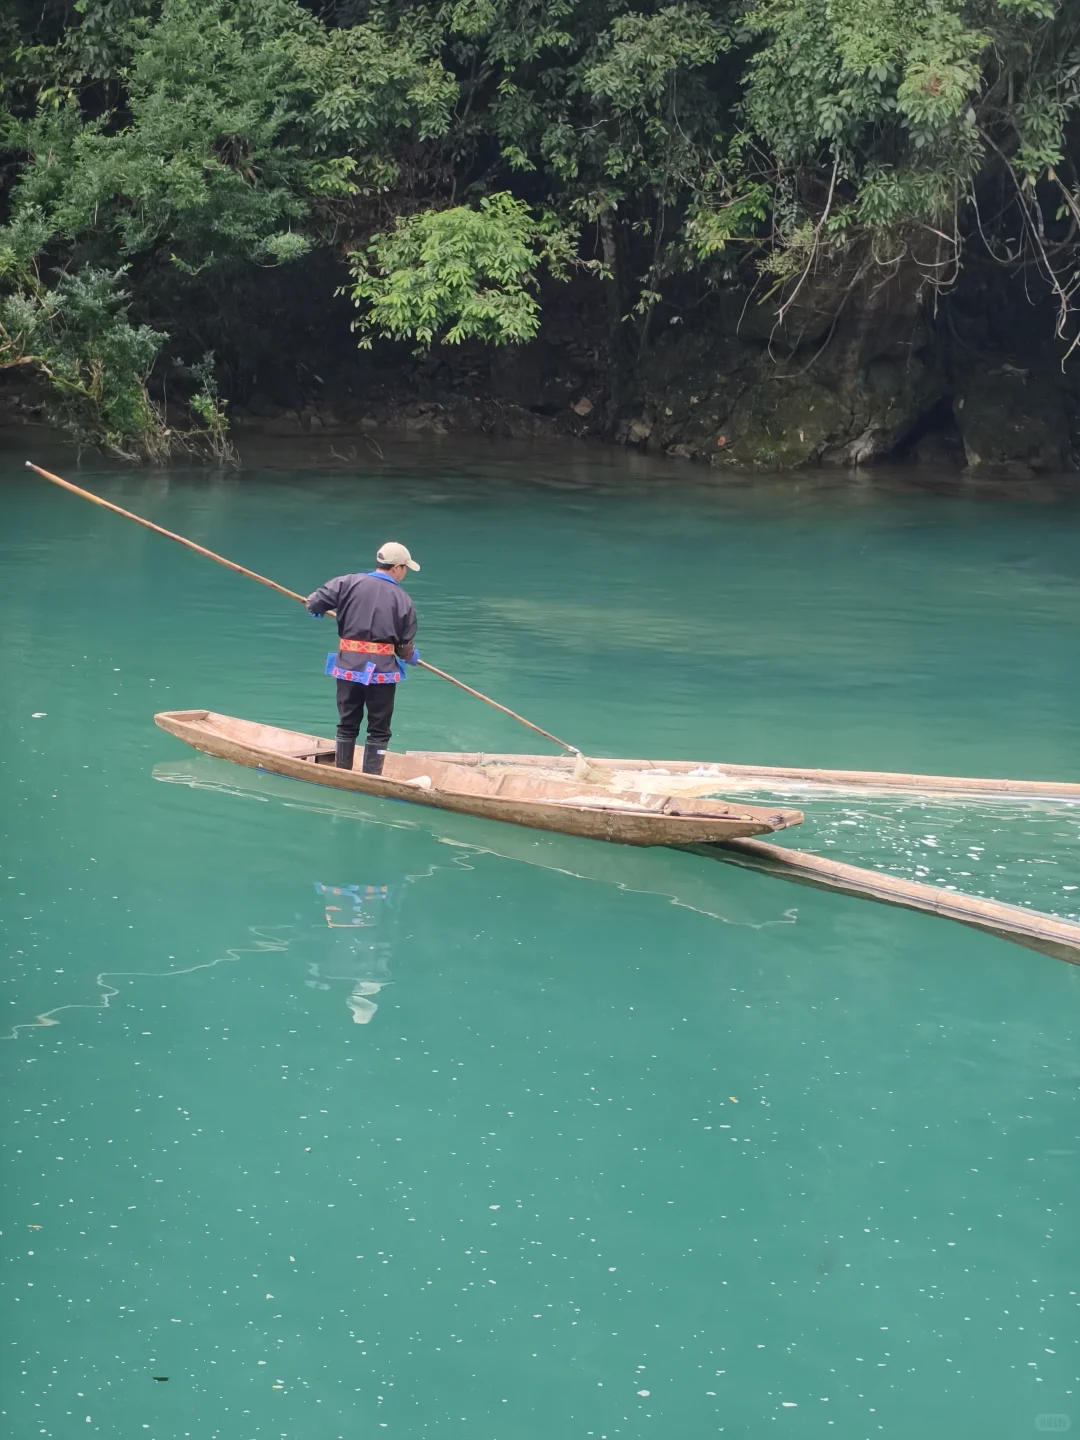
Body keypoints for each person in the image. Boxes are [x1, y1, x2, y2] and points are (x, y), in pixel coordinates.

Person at [306, 542, 420, 773]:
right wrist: (411, 656)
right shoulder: (402, 599)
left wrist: (314, 607)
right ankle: (371, 775)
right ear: (396, 567)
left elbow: (315, 603)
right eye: (405, 568)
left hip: (348, 667)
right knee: (379, 728)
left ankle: (342, 772)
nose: (405, 573)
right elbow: (403, 647)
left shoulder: (346, 583)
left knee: (347, 723)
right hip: (382, 673)